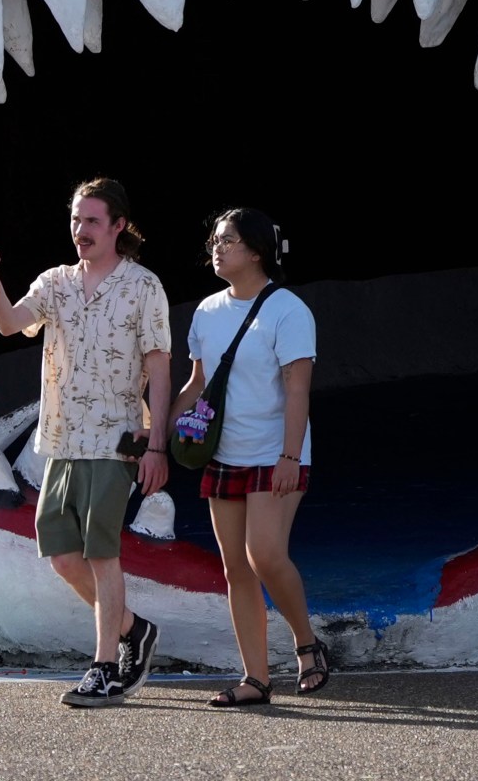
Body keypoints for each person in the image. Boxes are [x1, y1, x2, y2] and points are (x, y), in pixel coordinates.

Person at [0, 177, 172, 708]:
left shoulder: (143, 286)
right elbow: (11, 323)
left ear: (118, 226)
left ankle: (104, 666)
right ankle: (132, 630)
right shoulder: (55, 282)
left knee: (102, 553)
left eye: (92, 221)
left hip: (114, 438)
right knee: (61, 554)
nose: (81, 230)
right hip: (60, 439)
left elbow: (159, 367)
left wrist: (156, 444)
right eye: (76, 220)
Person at [173, 207, 327, 706]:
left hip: (275, 453)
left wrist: (289, 456)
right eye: (215, 240)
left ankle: (306, 643)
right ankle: (255, 680)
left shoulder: (288, 310)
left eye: (229, 241)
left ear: (257, 251)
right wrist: (157, 430)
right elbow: (198, 384)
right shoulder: (207, 311)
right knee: (235, 568)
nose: (217, 249)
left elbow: (297, 389)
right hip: (225, 454)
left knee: (264, 555)